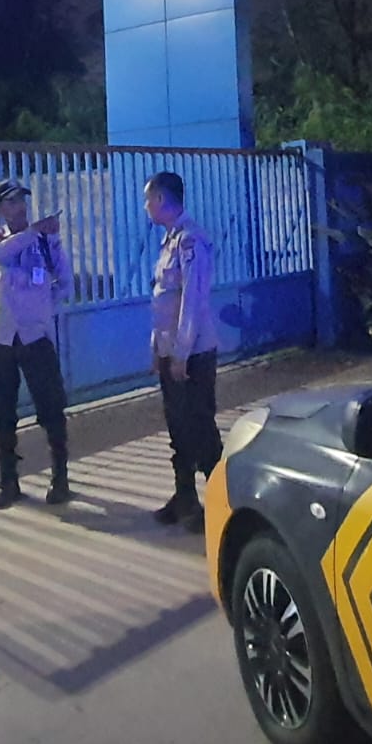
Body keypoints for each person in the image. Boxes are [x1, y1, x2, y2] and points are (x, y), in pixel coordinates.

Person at [0, 178, 73, 509]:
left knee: (51, 407)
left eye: (21, 200)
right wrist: (35, 231)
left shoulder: (45, 242)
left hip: (36, 336)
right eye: (11, 202)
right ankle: (9, 481)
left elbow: (65, 282)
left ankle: (60, 477)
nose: (19, 207)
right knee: (2, 410)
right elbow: (1, 255)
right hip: (4, 337)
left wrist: (43, 305)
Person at [144, 170, 222, 531]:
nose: (146, 206)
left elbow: (193, 301)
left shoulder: (191, 241)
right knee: (178, 427)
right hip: (171, 350)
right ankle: (185, 497)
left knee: (201, 428)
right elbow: (163, 301)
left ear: (161, 199)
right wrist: (158, 348)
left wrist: (181, 353)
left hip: (193, 354)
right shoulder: (170, 241)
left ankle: (223, 503)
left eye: (148, 199)